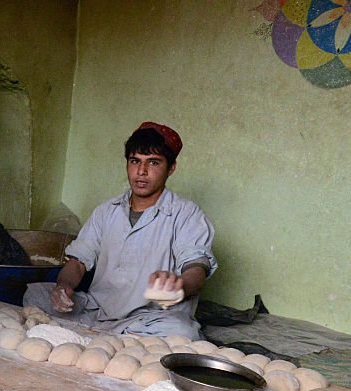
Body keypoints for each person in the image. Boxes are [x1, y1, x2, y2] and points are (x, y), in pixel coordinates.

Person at [24, 122, 216, 340]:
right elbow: (77, 263)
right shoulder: (106, 211)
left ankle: (98, 338)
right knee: (35, 295)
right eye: (135, 161)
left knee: (183, 331)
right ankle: (111, 336)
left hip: (151, 317)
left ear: (171, 168)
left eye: (153, 162)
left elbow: (196, 270)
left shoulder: (187, 214)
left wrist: (178, 286)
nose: (141, 172)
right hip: (99, 310)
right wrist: (64, 287)